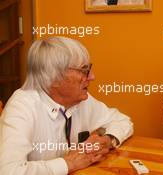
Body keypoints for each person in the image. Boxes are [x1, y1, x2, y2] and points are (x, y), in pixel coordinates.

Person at [0, 36, 133, 174]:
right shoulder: (22, 106)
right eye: (84, 70)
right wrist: (68, 164)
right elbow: (8, 171)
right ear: (55, 76)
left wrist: (108, 140)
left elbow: (122, 120)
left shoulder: (80, 99)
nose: (92, 76)